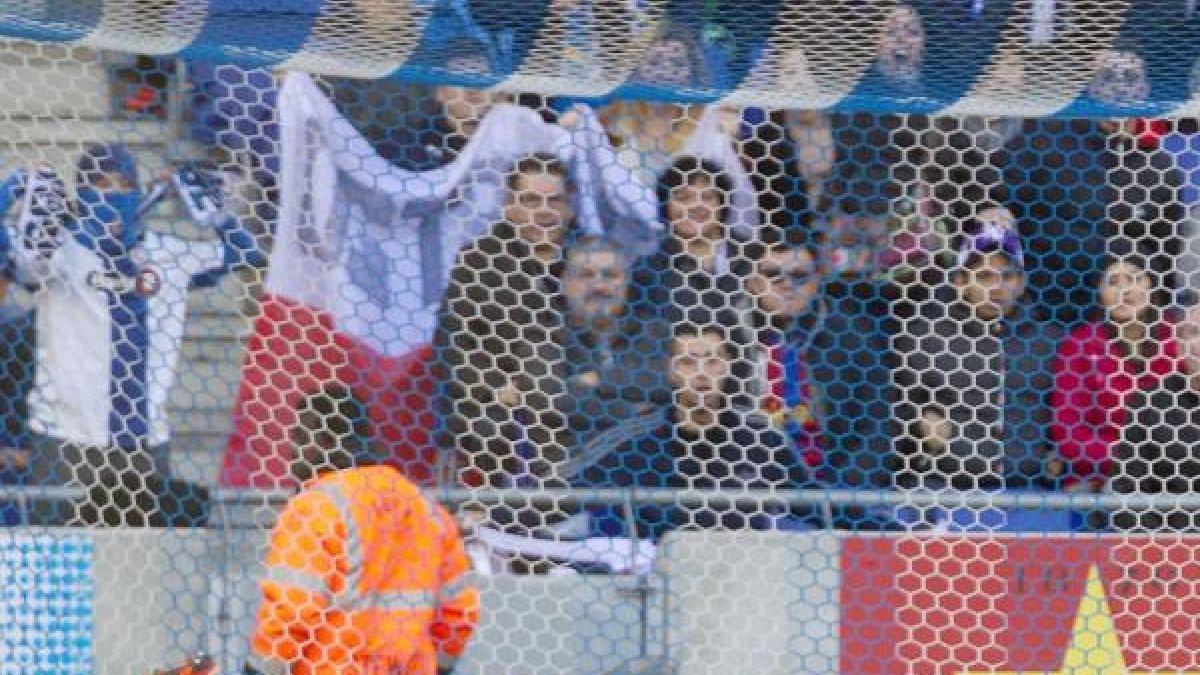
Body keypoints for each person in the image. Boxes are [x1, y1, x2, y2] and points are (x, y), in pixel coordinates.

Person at [0, 145, 262, 525]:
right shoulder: (55, 253)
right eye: (98, 184)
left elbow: (246, 252)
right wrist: (15, 189)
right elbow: (13, 255)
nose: (110, 193)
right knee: (62, 559)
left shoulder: (169, 254)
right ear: (80, 193)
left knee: (144, 559)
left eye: (122, 184)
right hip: (63, 438)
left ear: (137, 190)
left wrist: (206, 204)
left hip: (145, 442)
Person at [246, 386, 478, 675]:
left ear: (324, 439)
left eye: (299, 437)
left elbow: (292, 609)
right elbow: (460, 611)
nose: (292, 453)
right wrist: (440, 668)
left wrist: (258, 670)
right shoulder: (422, 505)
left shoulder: (316, 506)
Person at [566, 313, 820, 541]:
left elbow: (817, 507)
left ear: (728, 366)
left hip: (744, 580)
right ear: (671, 370)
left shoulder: (763, 438)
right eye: (688, 362)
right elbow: (558, 494)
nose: (701, 374)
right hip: (663, 582)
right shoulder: (634, 441)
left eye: (712, 361)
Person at [433, 154, 577, 489]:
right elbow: (454, 341)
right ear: (509, 205)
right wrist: (496, 385)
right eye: (531, 200)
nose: (544, 211)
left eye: (554, 200)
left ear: (569, 206)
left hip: (578, 395)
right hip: (501, 403)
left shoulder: (588, 256)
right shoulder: (479, 262)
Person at [890, 222, 1059, 509]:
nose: (997, 288)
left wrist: (1057, 454)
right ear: (960, 281)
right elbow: (895, 408)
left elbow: (1070, 410)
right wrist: (920, 423)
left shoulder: (1051, 341)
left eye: (1007, 276)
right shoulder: (924, 338)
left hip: (1031, 492)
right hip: (942, 491)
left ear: (1021, 282)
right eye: (983, 276)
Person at [1050, 253, 1180, 492]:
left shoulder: (1181, 339)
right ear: (1099, 292)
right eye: (1112, 282)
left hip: (1177, 472)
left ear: (1153, 284)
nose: (1123, 290)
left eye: (1133, 279)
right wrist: (1133, 459)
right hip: (1101, 477)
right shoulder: (1079, 345)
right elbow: (1069, 432)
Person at [1110, 301, 1200, 531]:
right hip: (1172, 547)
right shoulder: (1148, 404)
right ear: (1179, 346)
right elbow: (1128, 492)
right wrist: (1160, 551)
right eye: (1193, 333)